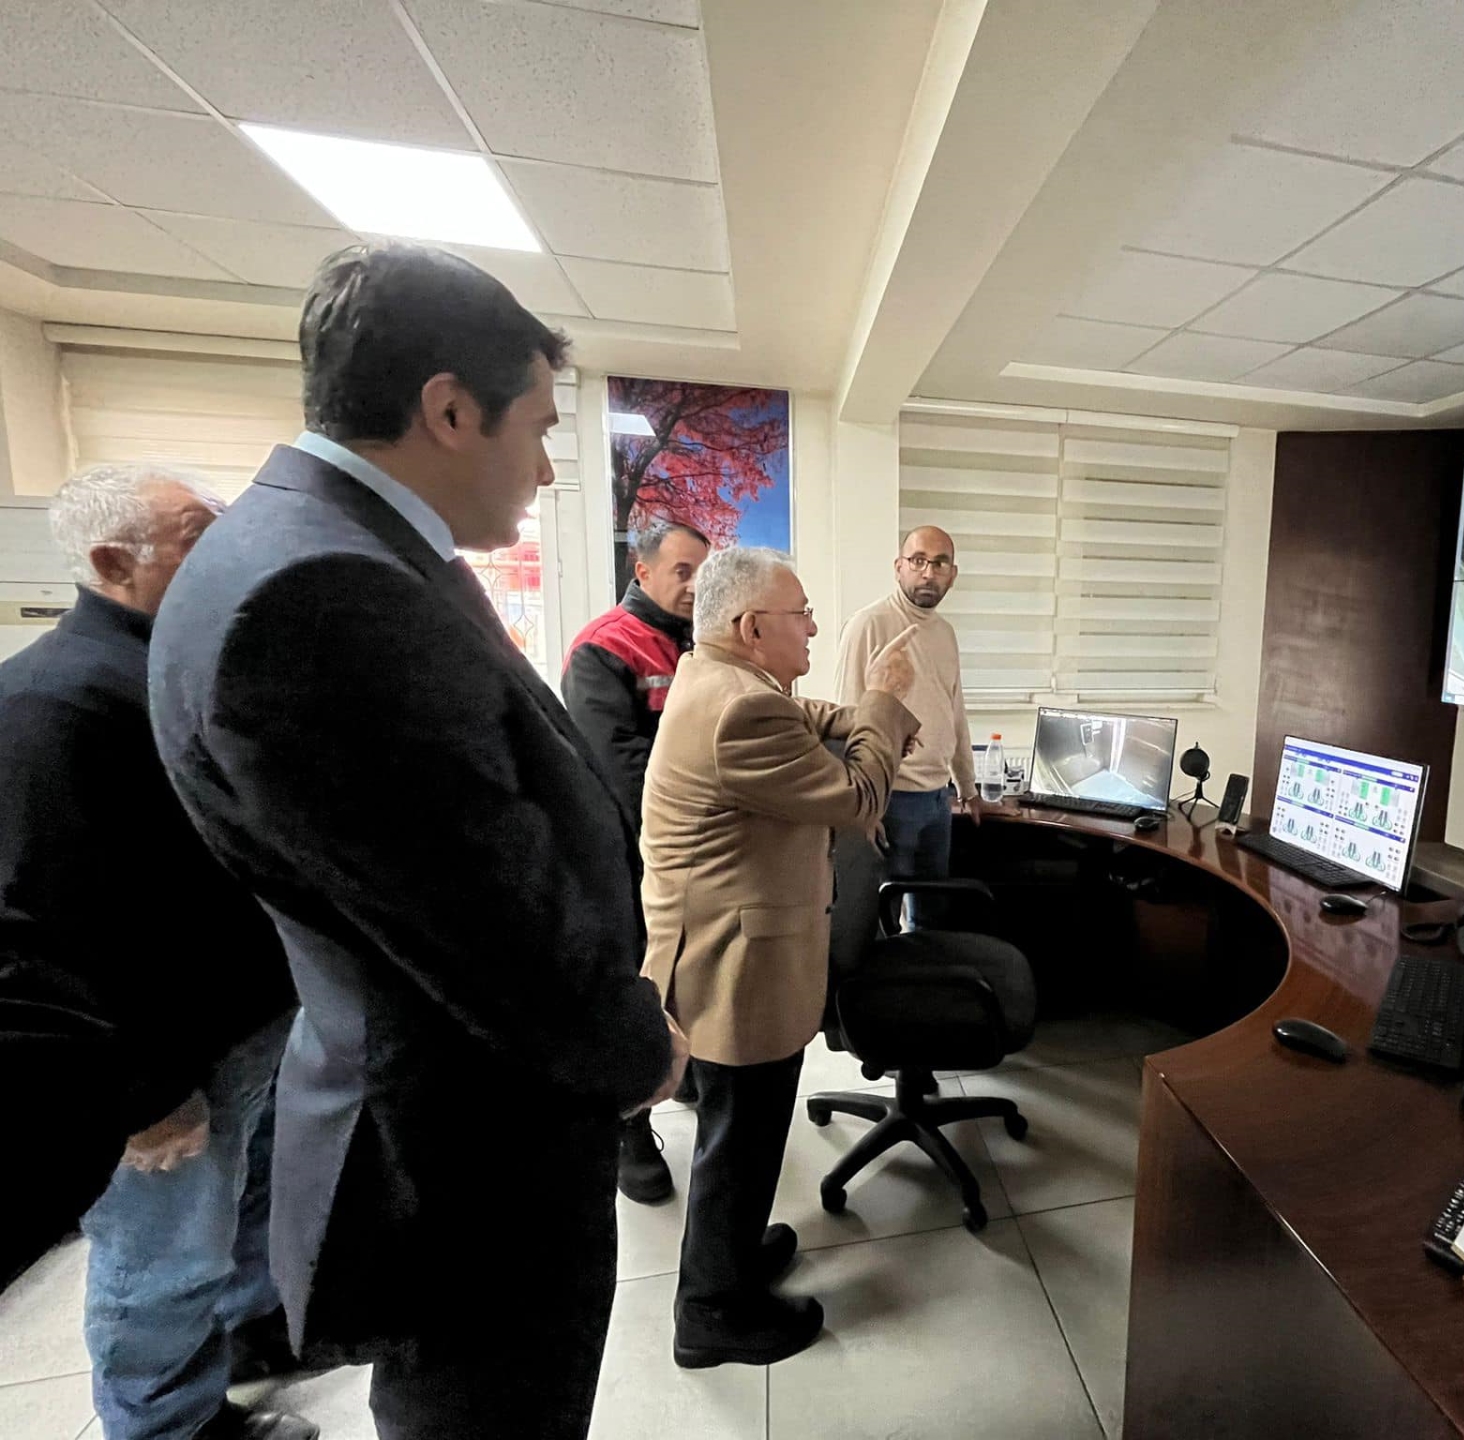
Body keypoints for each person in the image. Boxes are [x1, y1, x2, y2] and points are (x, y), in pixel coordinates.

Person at [148, 243, 685, 1440]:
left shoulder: (317, 549)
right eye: (537, 428)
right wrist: (635, 1044)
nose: (545, 467)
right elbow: (483, 919)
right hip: (469, 1146)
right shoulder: (319, 597)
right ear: (449, 409)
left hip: (448, 1109)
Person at [0, 465, 308, 1440]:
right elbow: (33, 933)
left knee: (239, 1213)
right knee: (163, 1260)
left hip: (246, 1022)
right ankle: (167, 1424)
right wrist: (141, 1094)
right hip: (165, 1060)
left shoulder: (181, 667)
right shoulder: (52, 702)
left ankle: (250, 1338)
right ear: (110, 560)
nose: (232, 550)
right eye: (197, 535)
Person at [641, 546, 920, 1367]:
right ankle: (710, 1314)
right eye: (801, 614)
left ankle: (727, 1263)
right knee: (740, 1141)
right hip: (735, 964)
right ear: (751, 626)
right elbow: (858, 800)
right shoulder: (741, 711)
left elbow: (811, 717)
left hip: (727, 948)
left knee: (747, 1132)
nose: (814, 627)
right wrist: (884, 700)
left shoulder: (728, 681)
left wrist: (858, 717)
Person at [561, 519, 710, 1204]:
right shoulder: (605, 646)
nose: (695, 585)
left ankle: (689, 1072)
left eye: (703, 572)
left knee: (688, 976)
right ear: (642, 571)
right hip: (627, 855)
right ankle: (632, 1131)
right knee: (636, 986)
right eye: (682, 570)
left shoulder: (702, 645)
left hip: (693, 852)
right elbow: (619, 766)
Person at [835, 525, 982, 899]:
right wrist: (862, 809)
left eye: (939, 563)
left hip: (939, 799)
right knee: (883, 915)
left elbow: (954, 713)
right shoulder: (868, 625)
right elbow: (846, 718)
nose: (928, 572)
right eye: (918, 561)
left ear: (953, 575)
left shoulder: (945, 633)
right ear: (898, 567)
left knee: (933, 911)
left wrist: (968, 788)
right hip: (890, 800)